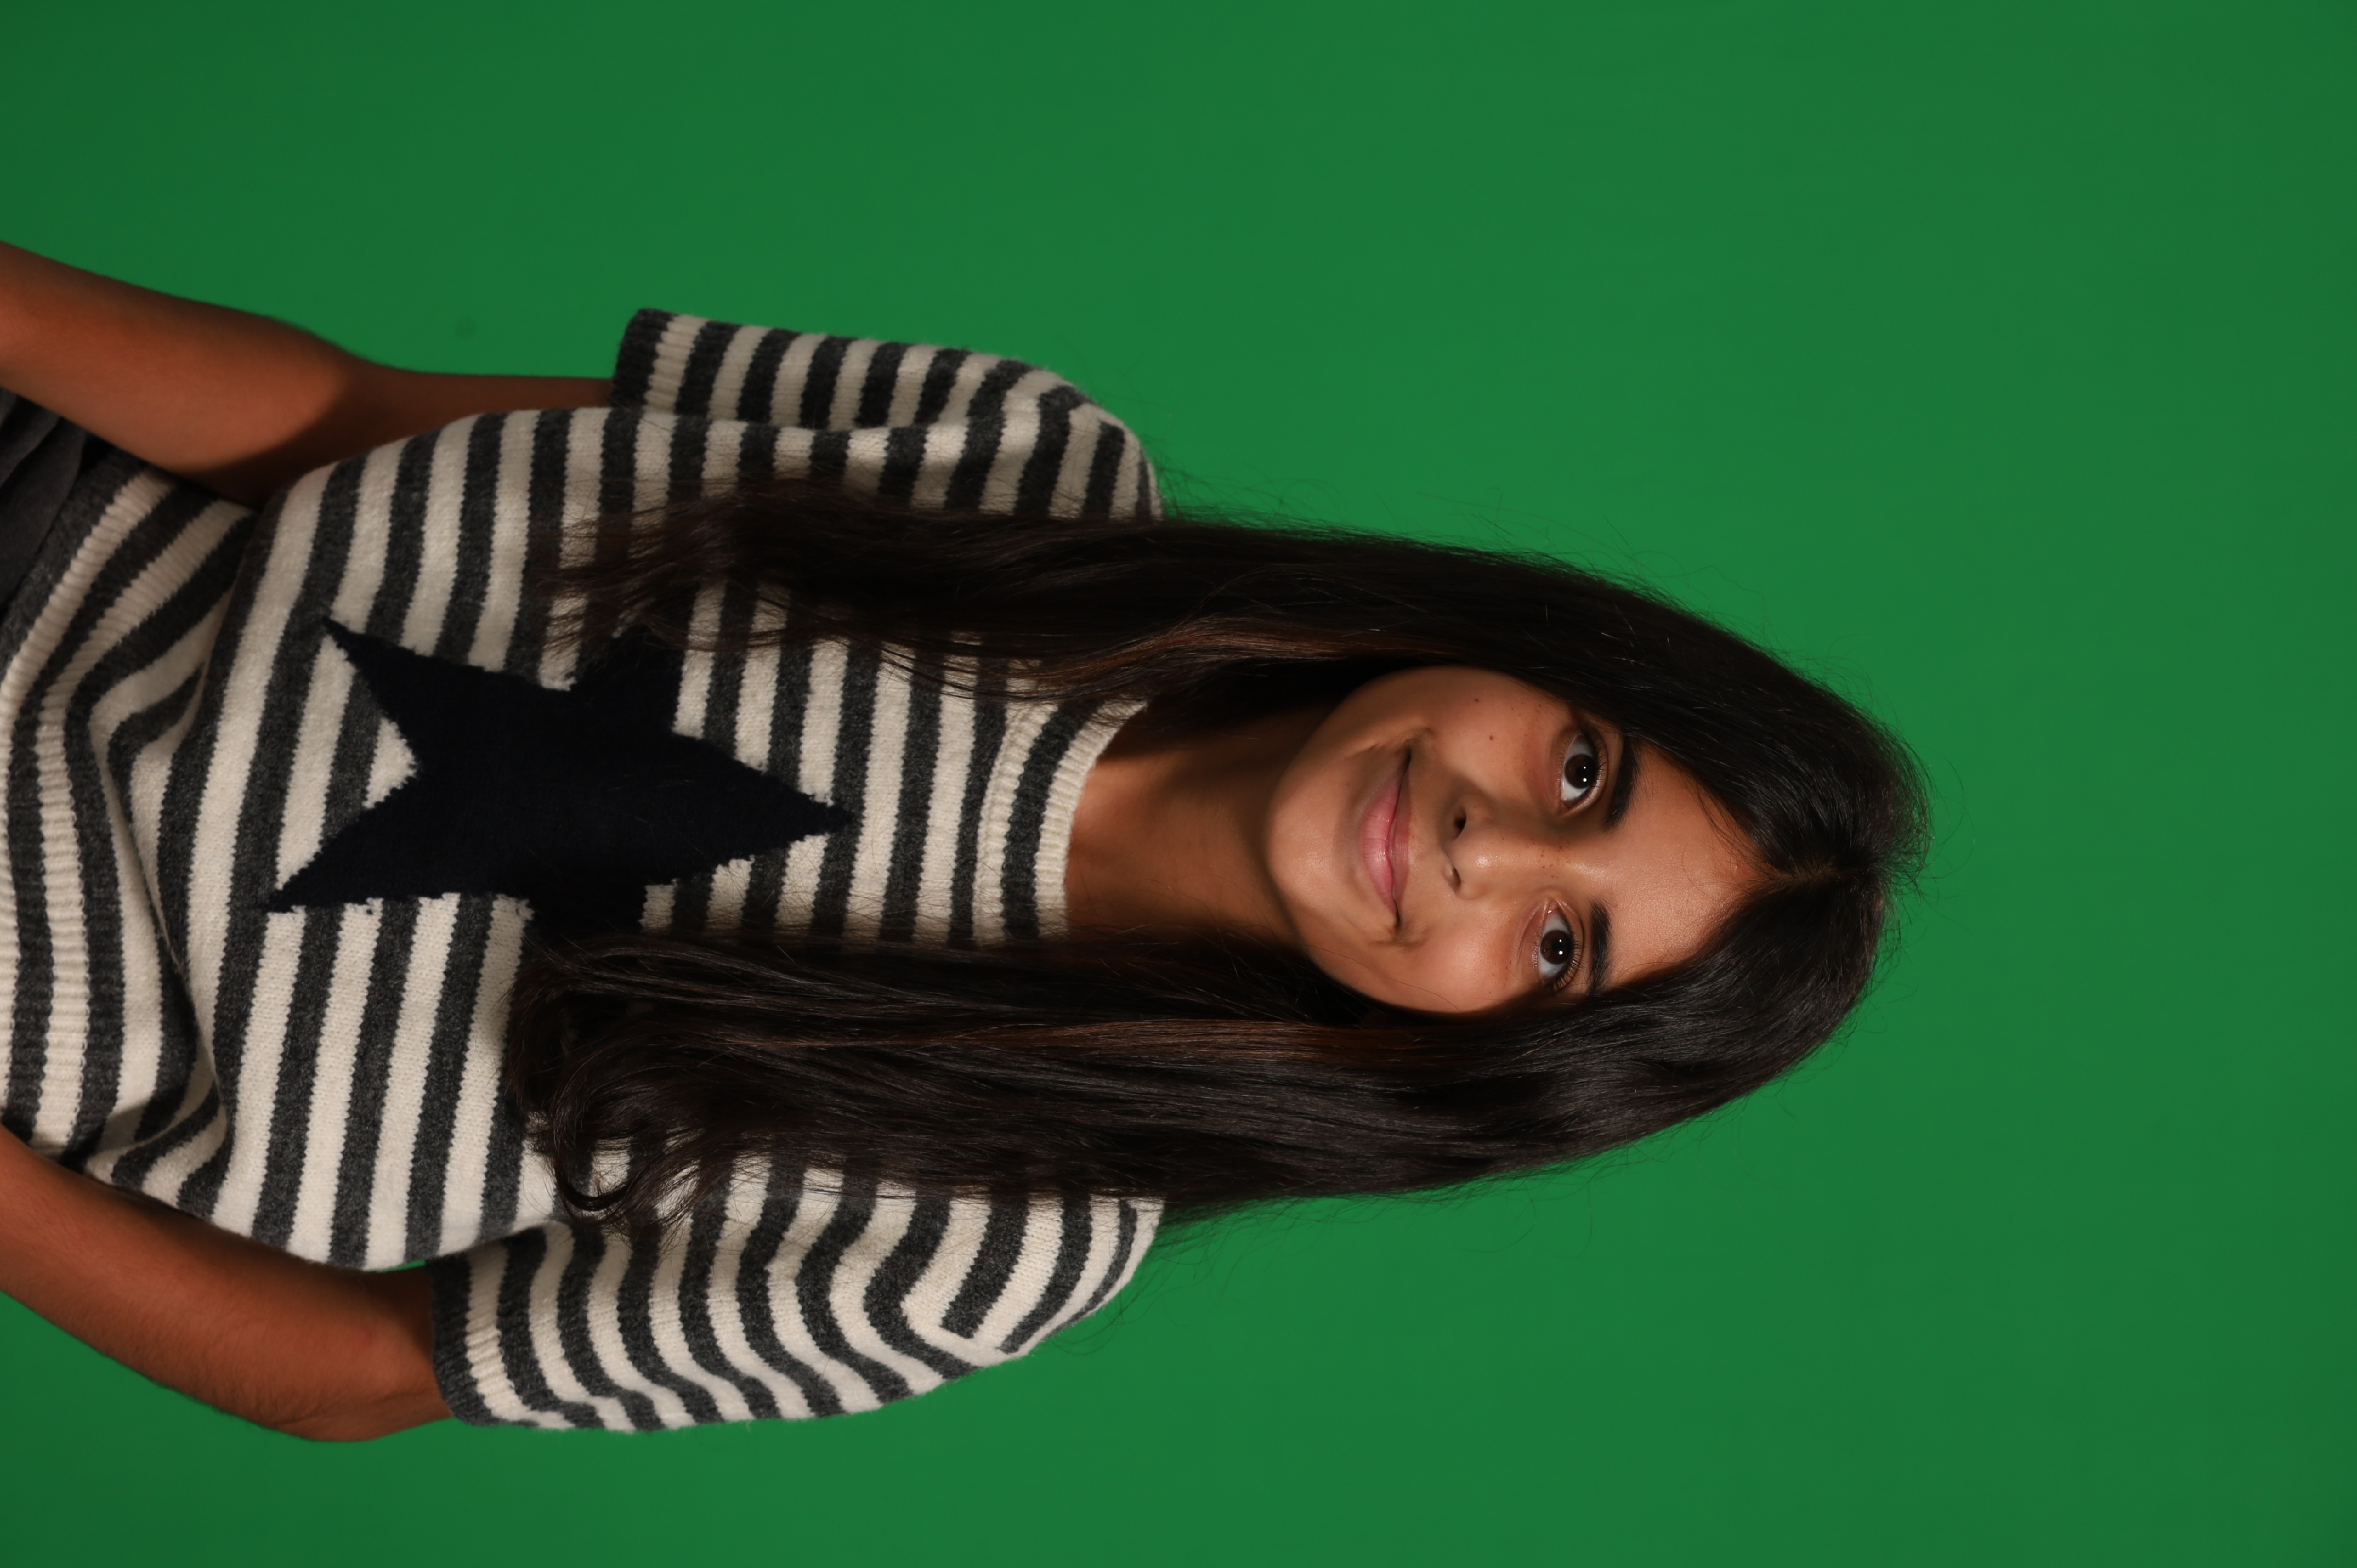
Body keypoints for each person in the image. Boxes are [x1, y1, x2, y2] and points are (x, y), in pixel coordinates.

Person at [0, 241, 1926, 1440]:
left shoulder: (985, 1255)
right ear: (1555, 651)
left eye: (1560, 950)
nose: (1487, 849)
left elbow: (358, 1365)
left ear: (1493, 1065)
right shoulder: (1021, 454)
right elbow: (345, 413)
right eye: (1583, 767)